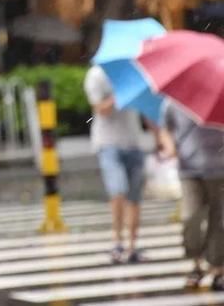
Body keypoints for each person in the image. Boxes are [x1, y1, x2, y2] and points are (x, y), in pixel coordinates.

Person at [158, 99, 224, 290]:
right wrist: (169, 146)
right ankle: (195, 263)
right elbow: (165, 129)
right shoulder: (173, 102)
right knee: (190, 216)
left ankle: (217, 267)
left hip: (220, 169)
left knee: (219, 222)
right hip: (189, 170)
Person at [83, 65, 146, 263]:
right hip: (108, 143)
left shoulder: (136, 72)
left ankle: (132, 246)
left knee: (135, 197)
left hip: (134, 141)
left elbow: (146, 108)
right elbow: (100, 110)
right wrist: (121, 92)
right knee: (118, 191)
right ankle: (117, 241)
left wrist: (158, 133)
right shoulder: (97, 75)